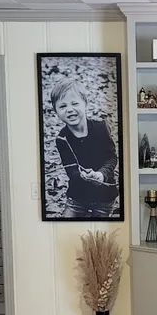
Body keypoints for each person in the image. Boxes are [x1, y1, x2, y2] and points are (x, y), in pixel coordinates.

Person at [50, 77, 118, 219]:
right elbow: (70, 169)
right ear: (56, 111)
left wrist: (100, 175)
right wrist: (81, 175)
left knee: (100, 230)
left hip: (104, 196)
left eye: (75, 103)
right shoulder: (62, 138)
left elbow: (111, 158)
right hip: (77, 197)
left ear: (85, 103)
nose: (70, 110)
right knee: (67, 226)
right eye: (62, 106)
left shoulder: (100, 128)